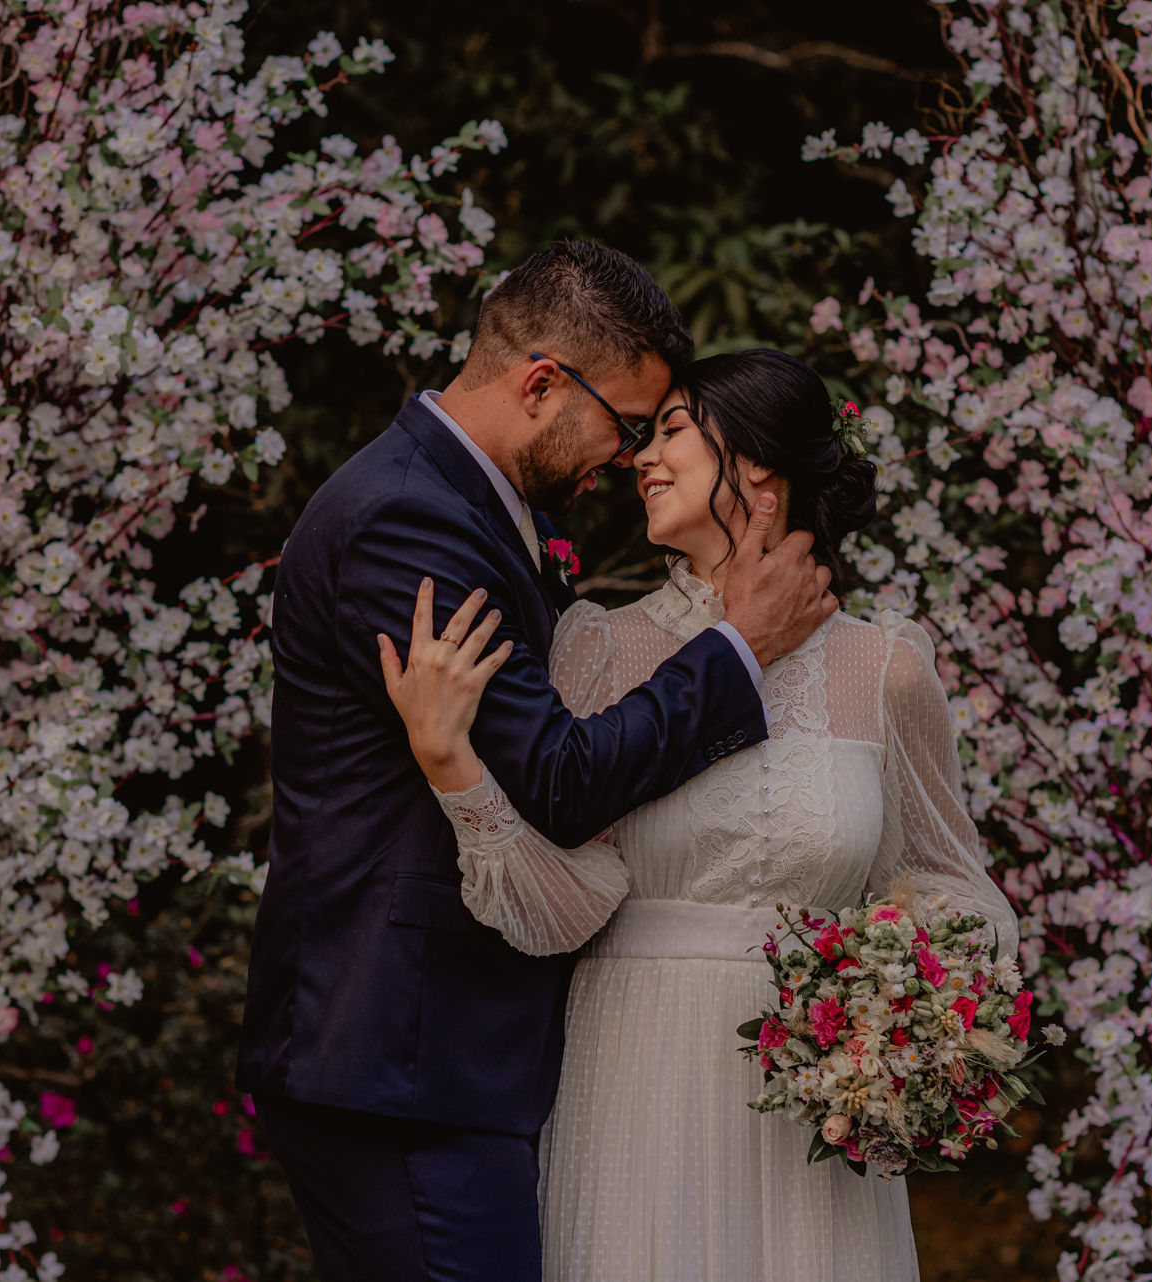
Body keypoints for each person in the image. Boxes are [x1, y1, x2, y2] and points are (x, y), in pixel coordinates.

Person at [235, 243, 837, 1282]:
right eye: (628, 422)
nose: (629, 453)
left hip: (445, 1059)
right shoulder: (407, 518)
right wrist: (740, 647)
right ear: (543, 382)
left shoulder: (480, 509)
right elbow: (557, 778)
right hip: (400, 1054)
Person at [379, 348, 1021, 1281]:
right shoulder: (597, 645)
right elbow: (563, 905)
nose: (641, 455)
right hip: (636, 1077)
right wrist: (453, 768)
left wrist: (907, 1011)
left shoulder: (886, 670)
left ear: (757, 467)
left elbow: (959, 891)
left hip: (819, 1113)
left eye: (671, 429)